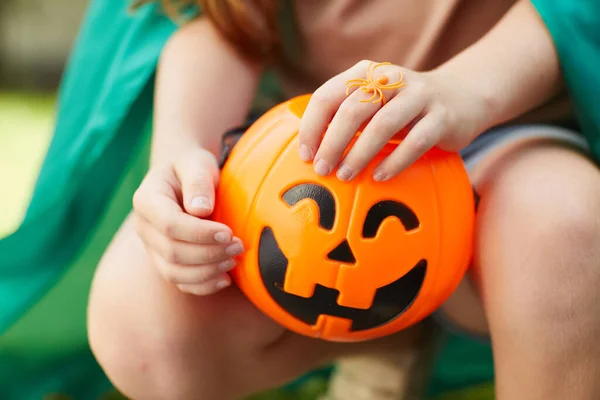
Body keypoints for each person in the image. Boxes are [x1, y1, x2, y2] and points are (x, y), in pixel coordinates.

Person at [84, 0, 600, 399]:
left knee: (564, 224)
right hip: (303, 149)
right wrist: (181, 150)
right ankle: (392, 338)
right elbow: (223, 17)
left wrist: (466, 90)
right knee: (141, 321)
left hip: (504, 136)